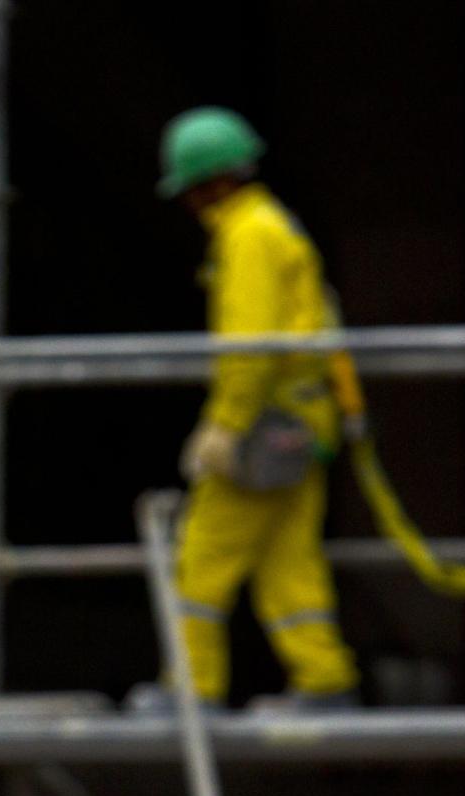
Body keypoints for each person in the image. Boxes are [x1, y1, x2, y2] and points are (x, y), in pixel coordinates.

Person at [153, 106, 359, 715]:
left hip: (265, 424)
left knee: (201, 560)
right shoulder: (275, 226)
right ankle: (325, 681)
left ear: (205, 183)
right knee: (287, 564)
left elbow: (249, 345)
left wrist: (224, 428)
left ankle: (191, 690)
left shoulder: (246, 237)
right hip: (302, 421)